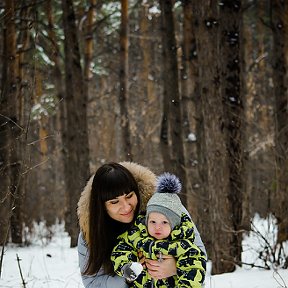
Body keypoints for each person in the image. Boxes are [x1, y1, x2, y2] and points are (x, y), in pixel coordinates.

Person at [77, 162, 206, 288]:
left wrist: (176, 267)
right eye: (115, 202)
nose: (126, 207)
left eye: (129, 196)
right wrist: (129, 276)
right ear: (102, 206)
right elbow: (93, 283)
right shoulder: (90, 231)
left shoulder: (166, 207)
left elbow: (199, 253)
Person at [111, 173, 207, 288]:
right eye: (153, 222)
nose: (157, 227)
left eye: (164, 222)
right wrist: (127, 266)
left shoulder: (182, 245)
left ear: (174, 224)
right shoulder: (137, 235)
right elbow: (121, 250)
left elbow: (194, 268)